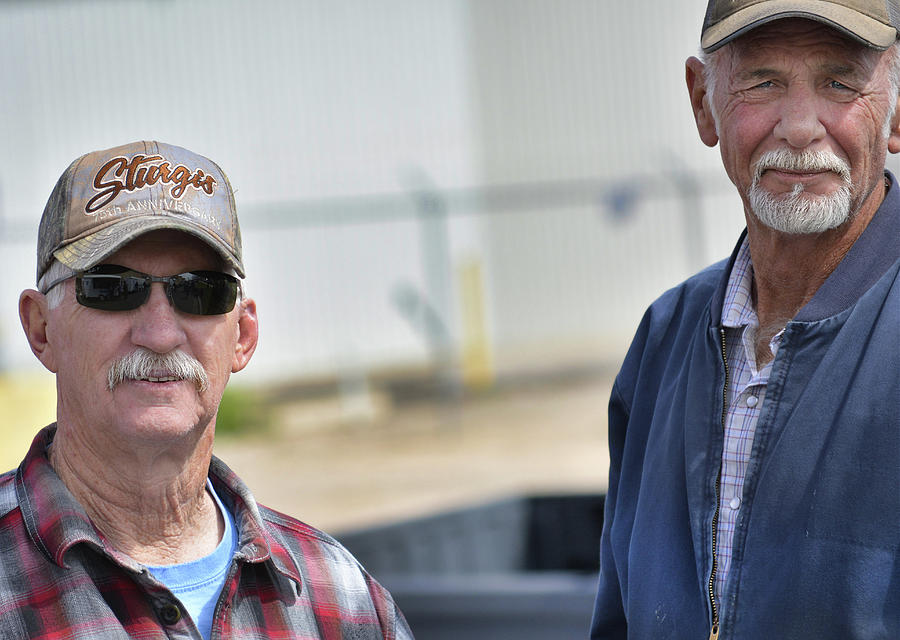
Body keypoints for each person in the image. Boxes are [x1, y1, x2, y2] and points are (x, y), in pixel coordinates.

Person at [1, 141, 413, 640]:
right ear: (40, 328)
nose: (159, 334)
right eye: (112, 288)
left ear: (242, 336)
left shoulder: (345, 602)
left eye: (198, 290)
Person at [591, 1, 900, 638]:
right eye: (762, 81)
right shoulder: (665, 337)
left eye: (839, 82)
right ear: (703, 101)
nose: (799, 127)